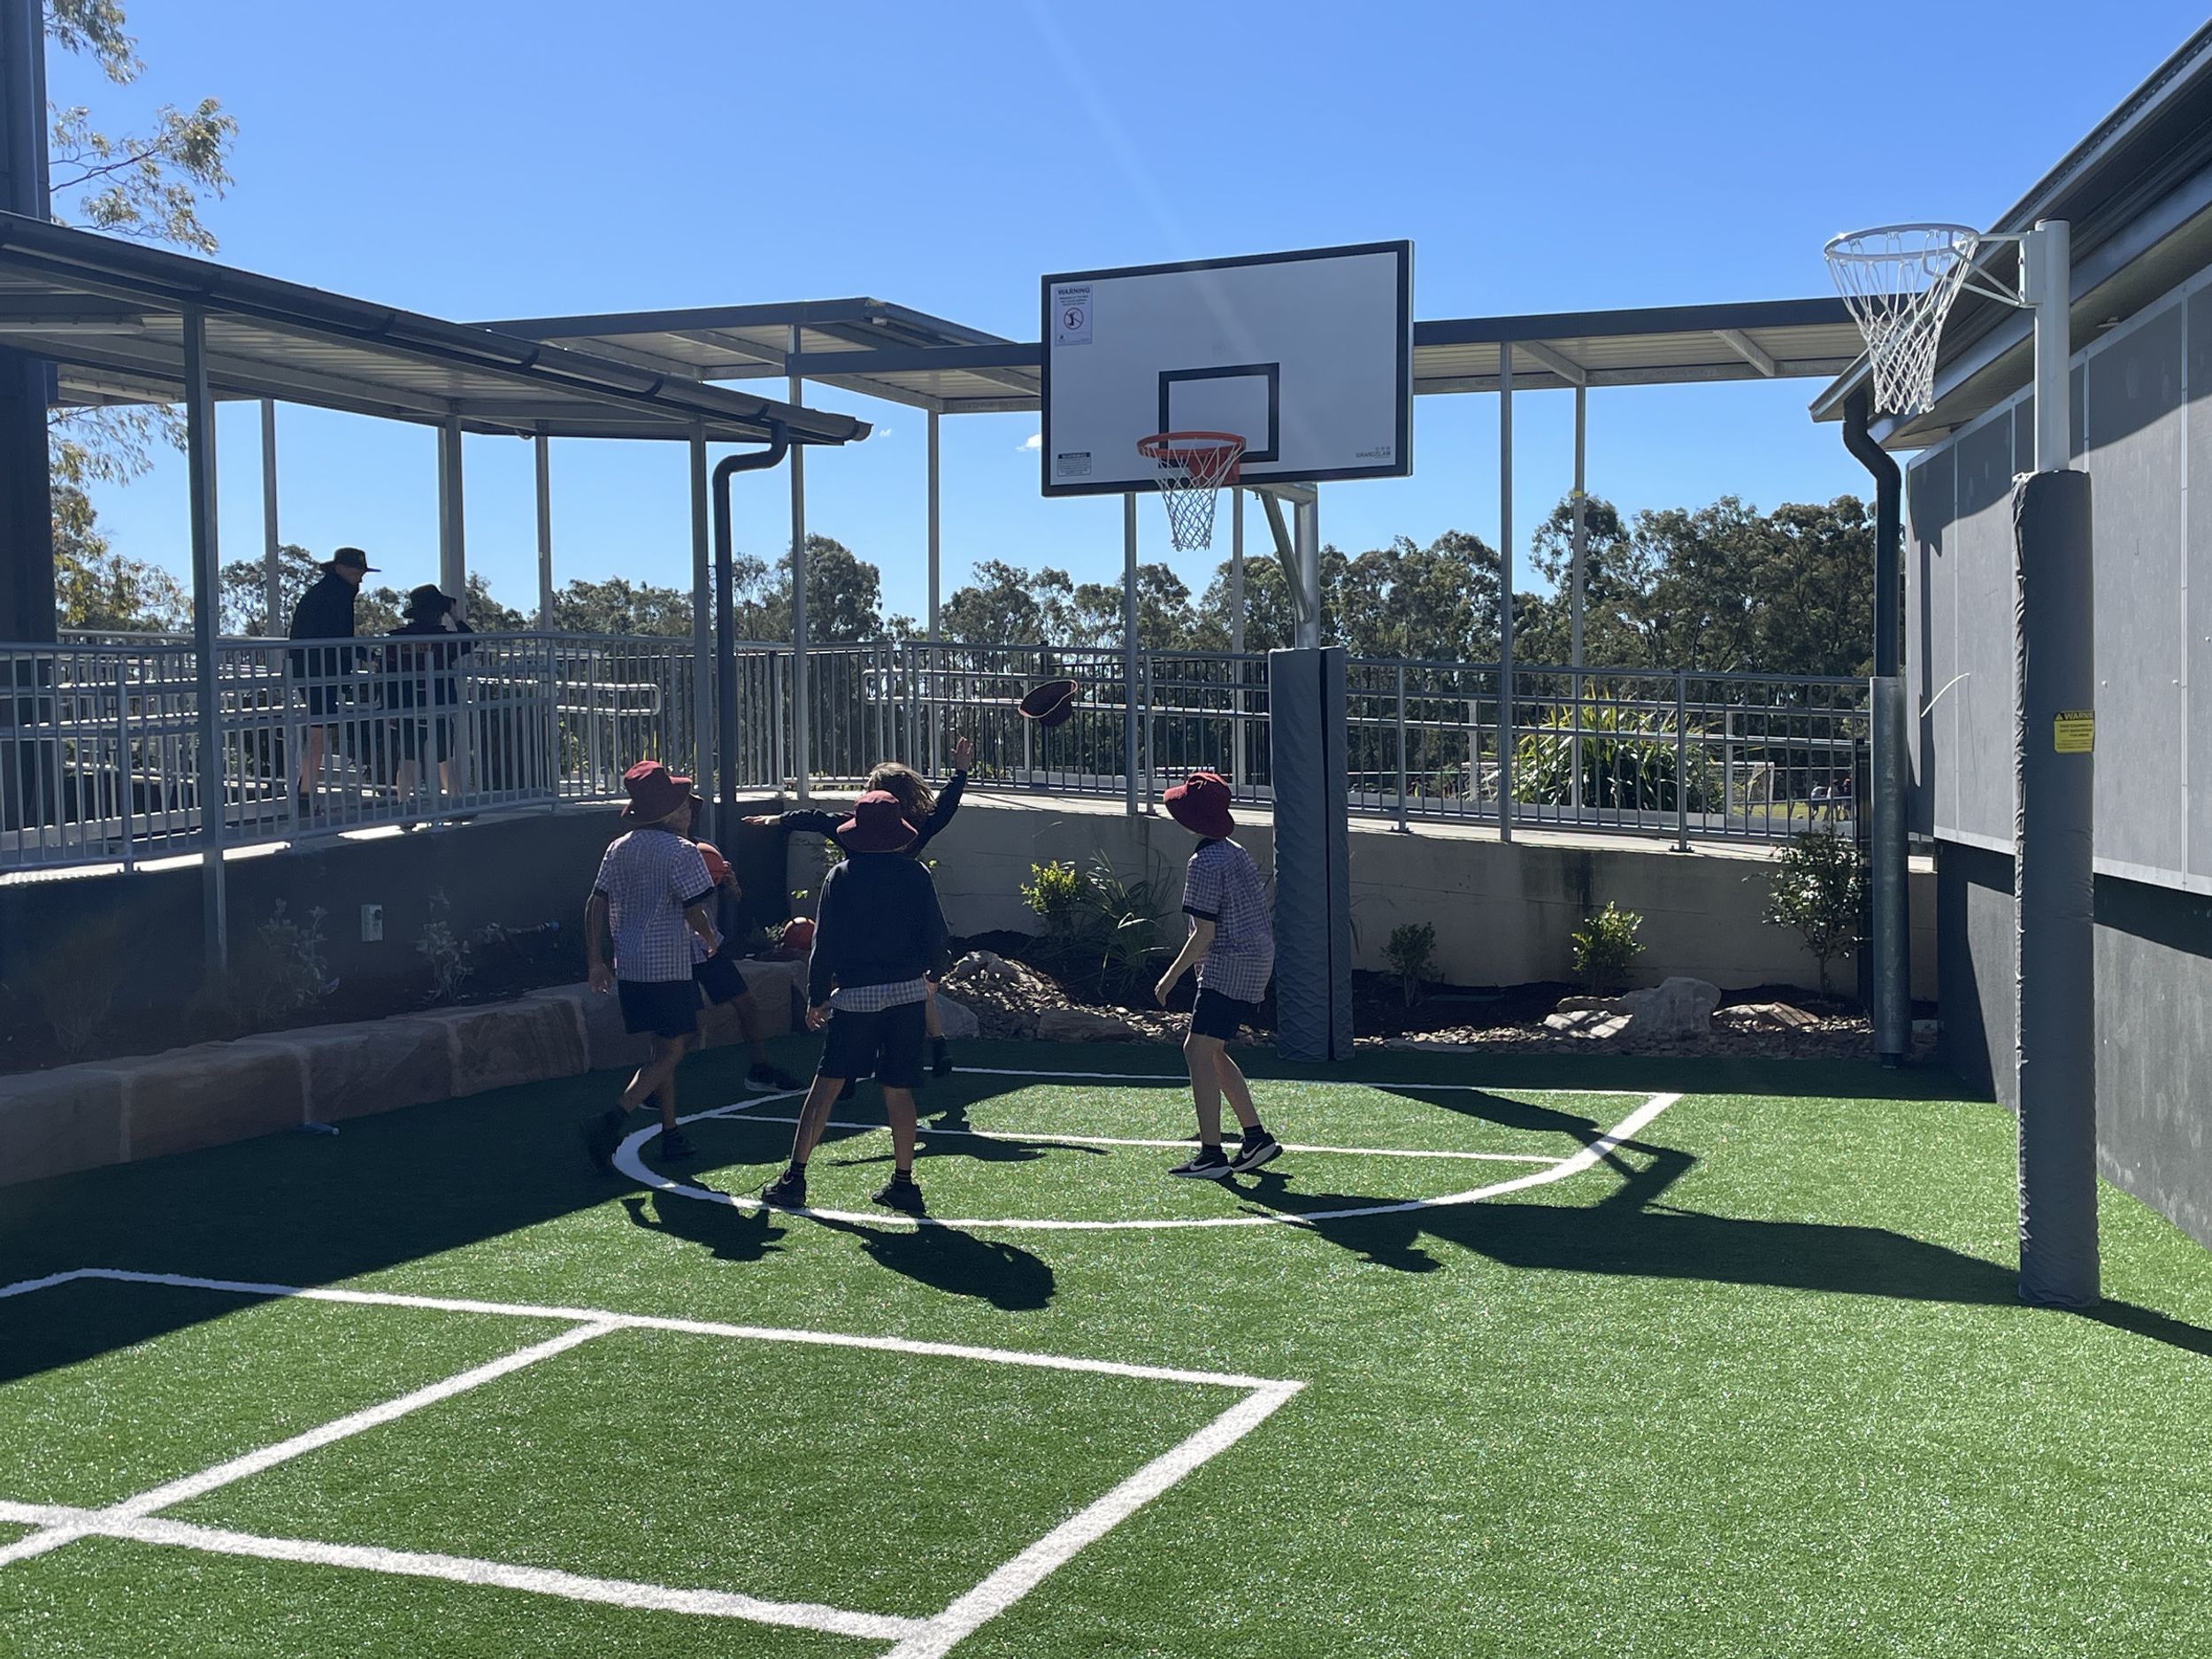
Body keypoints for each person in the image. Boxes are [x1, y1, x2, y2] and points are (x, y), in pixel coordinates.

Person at [760, 791, 950, 1214]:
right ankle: (904, 1182)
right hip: (906, 992)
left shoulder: (841, 876)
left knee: (826, 1086)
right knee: (899, 1089)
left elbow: (823, 943)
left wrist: (816, 997)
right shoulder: (916, 874)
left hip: (856, 995)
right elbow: (937, 934)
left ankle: (795, 1178)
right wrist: (934, 975)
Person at [748, 735, 971, 1084]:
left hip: (860, 913)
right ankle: (937, 1044)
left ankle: (847, 1070)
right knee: (913, 983)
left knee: (854, 987)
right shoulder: (919, 826)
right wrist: (960, 773)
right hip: (901, 914)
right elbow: (946, 806)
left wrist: (776, 820)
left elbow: (815, 819)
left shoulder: (851, 827)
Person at [582, 762, 722, 1172]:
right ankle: (613, 1118)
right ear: (669, 810)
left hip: (630, 965)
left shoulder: (618, 847)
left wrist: (595, 960)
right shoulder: (682, 852)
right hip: (669, 965)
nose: (688, 810)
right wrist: (710, 938)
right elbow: (693, 909)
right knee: (676, 1045)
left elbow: (595, 903)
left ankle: (670, 1131)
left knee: (661, 1050)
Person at [1151, 771, 1281, 1179]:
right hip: (1253, 960)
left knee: (1196, 1050)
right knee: (1211, 1050)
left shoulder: (1204, 862)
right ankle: (1256, 1138)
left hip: (1231, 964)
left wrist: (1170, 977)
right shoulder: (1233, 851)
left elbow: (1204, 934)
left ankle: (1211, 1155)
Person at [687, 823, 804, 1093]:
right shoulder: (663, 851)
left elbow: (735, 896)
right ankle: (653, 1085)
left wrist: (728, 882)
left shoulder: (707, 848)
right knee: (683, 1028)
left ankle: (759, 1069)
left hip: (707, 946)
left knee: (746, 1003)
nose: (686, 813)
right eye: (681, 808)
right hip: (673, 949)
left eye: (690, 808)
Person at [288, 547, 376, 813]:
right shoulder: (335, 595)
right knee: (317, 732)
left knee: (319, 730)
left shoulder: (327, 592)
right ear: (340, 569)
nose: (360, 578)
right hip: (319, 673)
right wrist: (366, 655)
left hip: (316, 670)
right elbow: (338, 636)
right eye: (356, 572)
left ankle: (306, 793)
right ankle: (305, 796)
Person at [382, 584, 474, 806]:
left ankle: (404, 805)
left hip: (405, 706)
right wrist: (456, 617)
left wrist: (389, 708)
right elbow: (470, 641)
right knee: (445, 757)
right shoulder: (445, 641)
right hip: (440, 705)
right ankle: (454, 802)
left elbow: (386, 674)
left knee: (407, 758)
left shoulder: (397, 640)